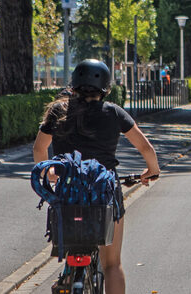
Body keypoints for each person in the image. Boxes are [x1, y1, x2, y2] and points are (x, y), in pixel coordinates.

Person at [32, 59, 160, 294]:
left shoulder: (58, 111)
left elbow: (40, 149)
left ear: (74, 85)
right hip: (104, 195)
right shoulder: (114, 113)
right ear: (106, 88)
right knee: (112, 264)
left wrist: (50, 174)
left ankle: (68, 278)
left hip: (68, 193)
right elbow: (146, 149)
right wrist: (152, 171)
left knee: (70, 244)